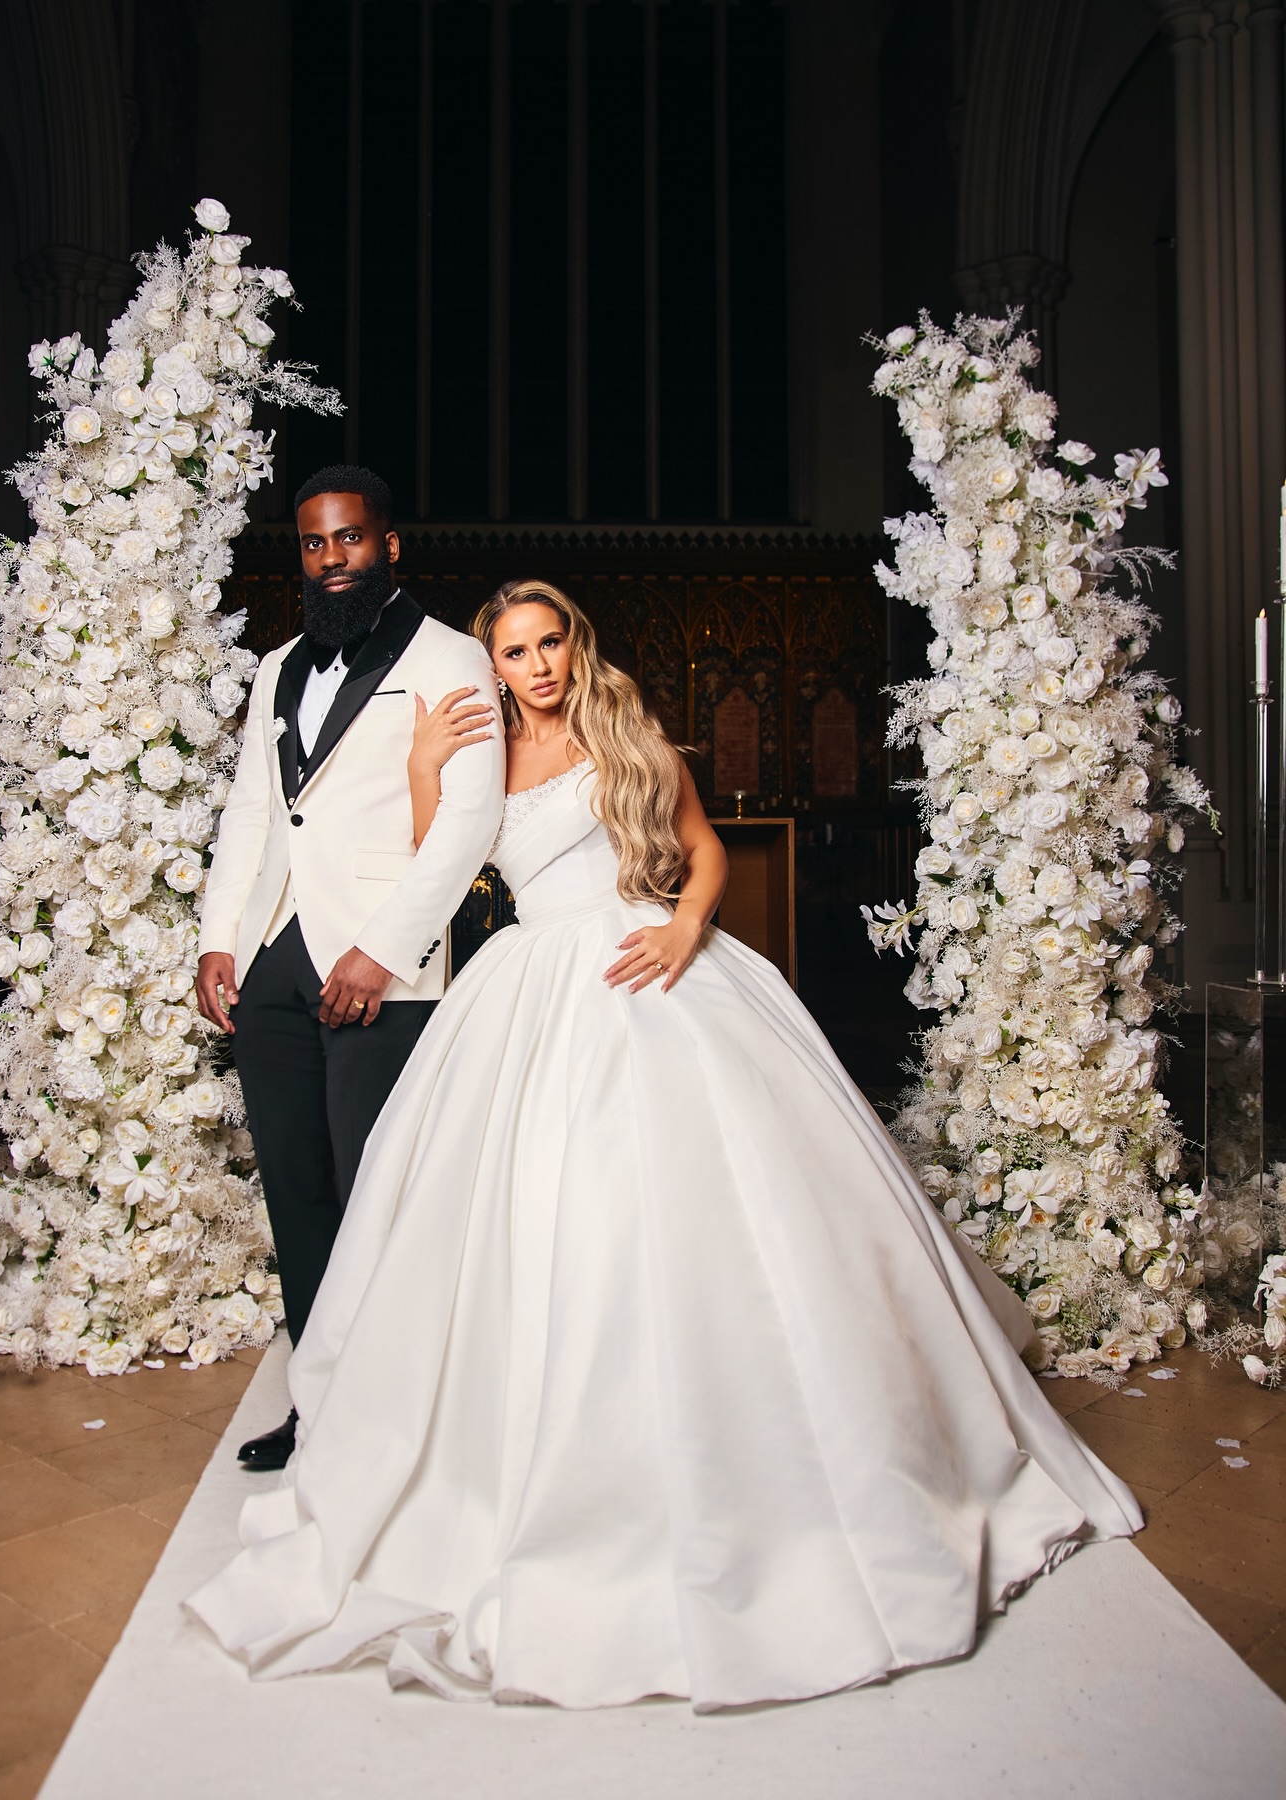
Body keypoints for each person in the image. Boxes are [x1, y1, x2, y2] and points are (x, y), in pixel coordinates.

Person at [187, 580, 1141, 1710]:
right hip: (531, 982)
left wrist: (687, 927)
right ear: (490, 665)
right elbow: (427, 869)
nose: (535, 666)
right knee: (553, 1220)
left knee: (723, 1211)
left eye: (548, 644)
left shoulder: (625, 730)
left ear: (569, 647)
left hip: (655, 961)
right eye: (512, 651)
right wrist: (426, 770)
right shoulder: (483, 752)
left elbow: (700, 848)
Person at [194, 466, 503, 1472]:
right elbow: (253, 811)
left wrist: (386, 948)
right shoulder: (276, 665)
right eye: (316, 544)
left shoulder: (454, 655)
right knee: (297, 1187)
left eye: (351, 540)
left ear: (390, 544)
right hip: (277, 959)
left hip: (383, 964)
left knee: (380, 1195)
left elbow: (470, 819)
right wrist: (219, 938)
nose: (333, 559)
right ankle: (318, 1408)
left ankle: (394, 1421)